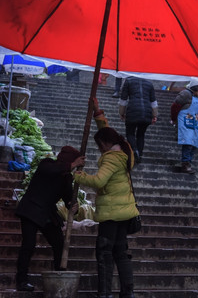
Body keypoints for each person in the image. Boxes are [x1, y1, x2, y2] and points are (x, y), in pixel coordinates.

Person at [74, 98, 139, 298]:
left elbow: (99, 181)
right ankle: (127, 293)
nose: (100, 149)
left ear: (104, 144)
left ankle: (104, 293)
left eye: (100, 146)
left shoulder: (111, 158)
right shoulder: (125, 149)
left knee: (104, 253)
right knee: (121, 253)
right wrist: (98, 113)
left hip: (111, 214)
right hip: (126, 212)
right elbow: (108, 132)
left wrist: (77, 174)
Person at [15, 146, 84, 292]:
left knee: (59, 243)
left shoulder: (66, 177)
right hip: (31, 209)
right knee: (28, 245)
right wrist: (72, 165)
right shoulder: (47, 164)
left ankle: (59, 276)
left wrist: (73, 205)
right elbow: (51, 171)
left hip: (47, 213)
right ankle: (21, 280)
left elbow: (68, 197)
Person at [118, 76, 158, 164]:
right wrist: (155, 115)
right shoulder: (149, 84)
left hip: (132, 110)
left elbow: (123, 99)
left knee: (130, 133)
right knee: (141, 135)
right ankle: (139, 154)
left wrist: (121, 112)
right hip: (146, 112)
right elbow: (153, 102)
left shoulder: (128, 81)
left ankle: (134, 150)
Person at [170, 77, 198, 174]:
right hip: (185, 123)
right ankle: (185, 164)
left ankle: (188, 161)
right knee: (188, 142)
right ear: (195, 87)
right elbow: (175, 106)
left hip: (194, 123)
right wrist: (174, 119)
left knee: (194, 143)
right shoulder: (185, 94)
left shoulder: (196, 97)